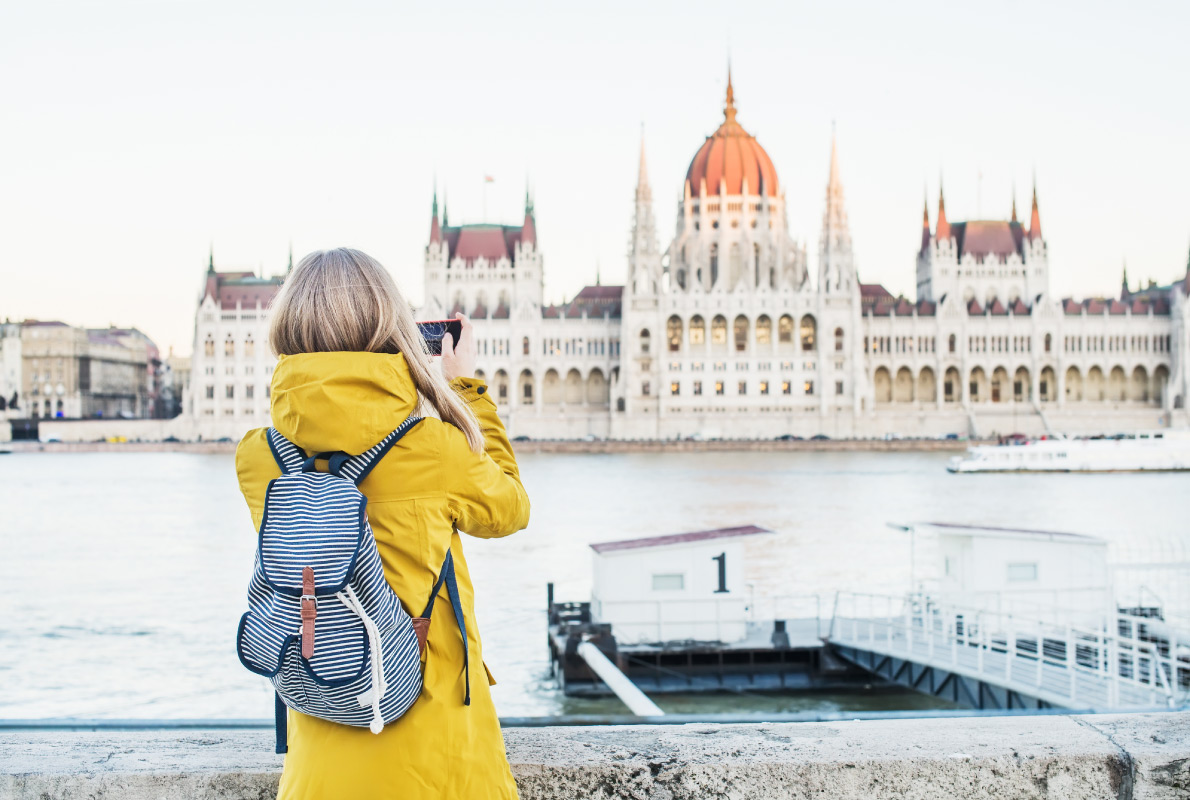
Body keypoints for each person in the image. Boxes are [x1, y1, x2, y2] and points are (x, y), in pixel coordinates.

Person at [235, 247, 530, 799]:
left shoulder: (257, 458)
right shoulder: (435, 449)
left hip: (319, 750)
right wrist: (463, 391)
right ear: (389, 325)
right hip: (435, 758)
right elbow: (510, 508)